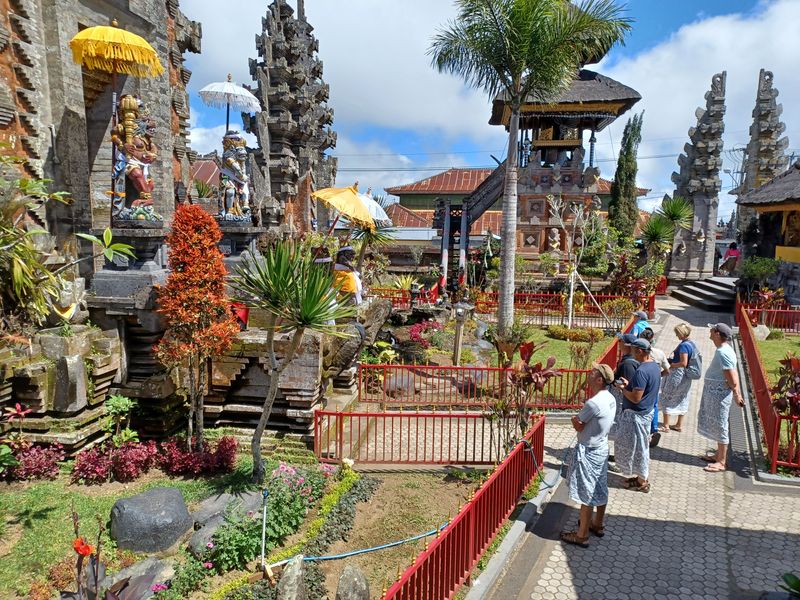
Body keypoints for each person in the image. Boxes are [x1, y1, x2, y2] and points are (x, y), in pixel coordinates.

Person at [560, 363, 617, 548]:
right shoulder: (610, 397)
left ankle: (582, 534)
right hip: (601, 448)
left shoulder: (593, 403)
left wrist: (573, 420)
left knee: (587, 493)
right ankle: (598, 524)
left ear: (600, 379)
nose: (589, 373)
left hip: (589, 451)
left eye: (593, 372)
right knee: (600, 487)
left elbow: (578, 424)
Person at [615, 338, 661, 493]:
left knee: (640, 448)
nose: (632, 353)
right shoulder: (653, 365)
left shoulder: (641, 371)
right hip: (646, 412)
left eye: (634, 350)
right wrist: (629, 385)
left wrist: (622, 389)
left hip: (637, 415)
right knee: (641, 446)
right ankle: (641, 477)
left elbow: (636, 397)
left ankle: (642, 480)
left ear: (640, 351)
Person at [697, 322, 744, 472]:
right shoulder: (723, 350)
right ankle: (718, 455)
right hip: (715, 393)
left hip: (719, 395)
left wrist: (737, 393)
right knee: (718, 424)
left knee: (721, 425)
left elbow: (732, 375)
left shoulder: (723, 352)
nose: (709, 331)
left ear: (717, 334)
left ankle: (722, 462)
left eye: (712, 329)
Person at [660, 323, 697, 433]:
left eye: (677, 333)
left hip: (677, 374)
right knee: (682, 397)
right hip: (686, 376)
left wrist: (671, 365)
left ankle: (666, 425)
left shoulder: (683, 346)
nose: (676, 336)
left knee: (667, 396)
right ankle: (679, 424)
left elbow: (683, 363)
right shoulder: (692, 343)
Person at [638, 328, 669, 447]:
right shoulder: (659, 353)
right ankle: (654, 429)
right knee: (654, 405)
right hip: (655, 384)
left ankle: (643, 430)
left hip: (641, 383)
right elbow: (668, 370)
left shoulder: (638, 352)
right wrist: (658, 375)